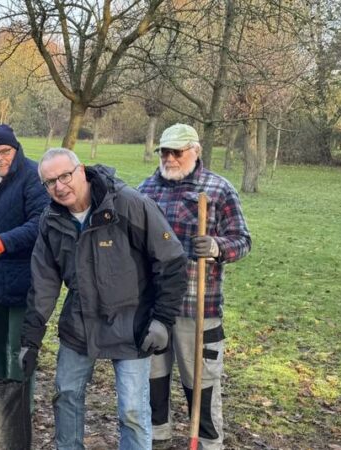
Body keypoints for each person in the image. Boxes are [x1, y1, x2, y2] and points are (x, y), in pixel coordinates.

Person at [19, 148, 188, 449]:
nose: (59, 186)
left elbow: (171, 260)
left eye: (65, 176)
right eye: (50, 182)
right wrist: (30, 339)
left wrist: (162, 319)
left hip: (132, 324)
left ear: (81, 170)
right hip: (80, 323)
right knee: (66, 395)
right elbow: (43, 282)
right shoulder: (51, 220)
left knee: (133, 410)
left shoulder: (129, 204)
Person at [138, 123, 251, 449]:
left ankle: (206, 443)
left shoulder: (218, 189)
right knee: (153, 376)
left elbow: (242, 240)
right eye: (164, 152)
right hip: (153, 306)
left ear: (195, 151)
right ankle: (157, 437)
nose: (169, 158)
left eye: (177, 152)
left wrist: (217, 247)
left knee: (201, 380)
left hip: (198, 306)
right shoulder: (145, 190)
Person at [0, 124, 49, 385]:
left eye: (5, 151)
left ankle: (19, 403)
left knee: (21, 348)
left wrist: (5, 242)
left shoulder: (32, 177)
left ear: (15, 150)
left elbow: (41, 221)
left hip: (24, 278)